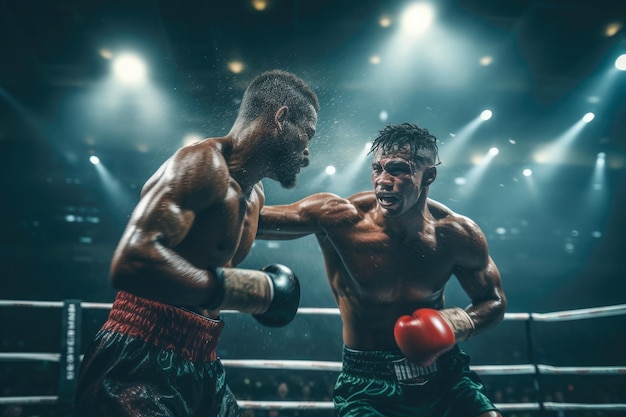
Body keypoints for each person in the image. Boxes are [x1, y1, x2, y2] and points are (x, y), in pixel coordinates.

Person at [73, 69, 319, 417]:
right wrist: (237, 289)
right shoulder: (201, 165)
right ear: (281, 119)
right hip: (140, 353)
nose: (307, 149)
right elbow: (132, 260)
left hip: (202, 357)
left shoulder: (255, 195)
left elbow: (297, 220)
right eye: (306, 134)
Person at [257, 122, 507, 417]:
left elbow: (493, 300)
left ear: (429, 175)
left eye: (398, 169)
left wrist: (453, 324)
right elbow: (253, 221)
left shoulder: (456, 235)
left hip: (445, 375)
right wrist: (233, 177)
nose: (383, 181)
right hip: (369, 382)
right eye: (377, 169)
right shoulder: (341, 219)